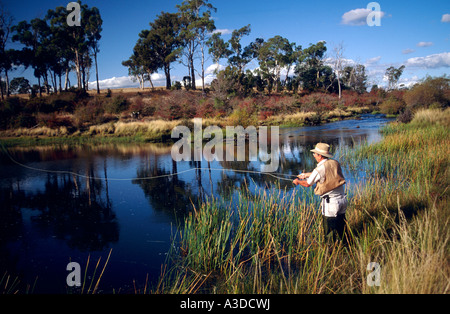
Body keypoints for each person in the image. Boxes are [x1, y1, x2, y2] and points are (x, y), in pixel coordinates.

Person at [293, 143, 348, 242]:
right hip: (342, 200)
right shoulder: (335, 163)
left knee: (329, 232)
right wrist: (306, 174)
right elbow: (326, 173)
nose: (314, 156)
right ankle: (348, 247)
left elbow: (307, 184)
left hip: (331, 204)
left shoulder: (319, 169)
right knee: (342, 229)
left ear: (320, 155)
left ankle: (330, 254)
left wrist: (297, 182)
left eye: (315, 154)